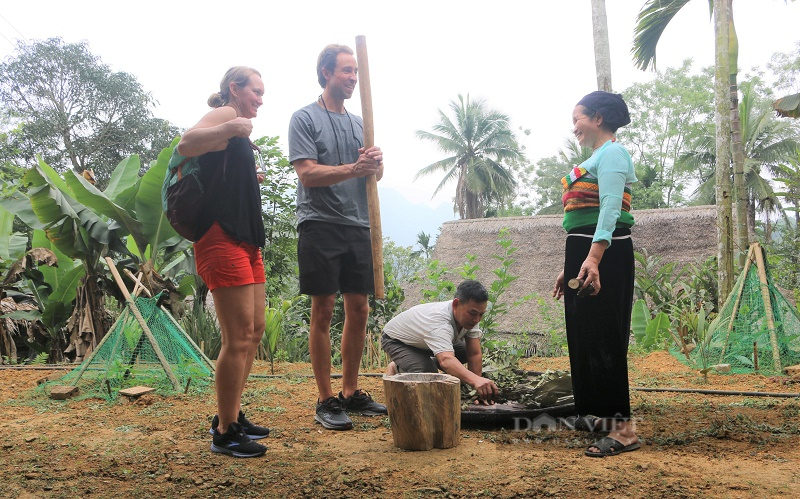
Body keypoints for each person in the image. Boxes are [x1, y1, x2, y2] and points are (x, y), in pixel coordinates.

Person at [288, 44, 388, 430]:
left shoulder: (361, 122)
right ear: (327, 72)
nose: (352, 78)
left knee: (359, 310)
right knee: (324, 311)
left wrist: (375, 165)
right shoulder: (305, 118)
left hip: (358, 224)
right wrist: (354, 167)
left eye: (356, 72)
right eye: (346, 71)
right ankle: (325, 398)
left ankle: (350, 391)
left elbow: (373, 177)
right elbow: (308, 174)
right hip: (320, 223)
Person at [177, 67, 270, 458]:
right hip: (220, 237)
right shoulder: (226, 115)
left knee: (256, 331)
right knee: (239, 337)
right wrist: (233, 128)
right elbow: (186, 143)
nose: (260, 99)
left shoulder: (238, 125)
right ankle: (225, 432)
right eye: (256, 91)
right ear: (234, 88)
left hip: (246, 238)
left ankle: (228, 414)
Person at [552, 91, 640, 457]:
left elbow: (610, 209)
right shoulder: (595, 158)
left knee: (604, 337)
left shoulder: (614, 154)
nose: (574, 126)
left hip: (607, 252)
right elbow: (582, 218)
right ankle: (601, 416)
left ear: (598, 119)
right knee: (584, 336)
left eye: (578, 119)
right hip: (585, 251)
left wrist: (593, 257)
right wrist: (570, 266)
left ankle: (623, 430)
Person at [382, 280, 499, 404]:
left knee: (465, 351)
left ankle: (421, 360)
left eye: (481, 314)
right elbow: (446, 360)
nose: (477, 319)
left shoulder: (471, 315)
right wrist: (475, 380)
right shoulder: (439, 322)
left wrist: (477, 390)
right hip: (398, 341)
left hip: (425, 341)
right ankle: (399, 366)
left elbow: (474, 354)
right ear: (456, 304)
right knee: (428, 374)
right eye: (473, 313)